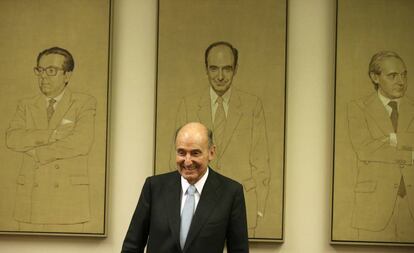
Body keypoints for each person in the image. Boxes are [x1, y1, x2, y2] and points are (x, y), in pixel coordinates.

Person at [174, 41, 270, 236]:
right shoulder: (189, 104)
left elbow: (261, 162)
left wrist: (259, 209)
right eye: (214, 68)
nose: (220, 76)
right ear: (206, 69)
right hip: (195, 208)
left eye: (226, 69)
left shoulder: (252, 106)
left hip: (243, 207)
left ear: (235, 69)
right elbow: (179, 159)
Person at [6, 47, 96, 232]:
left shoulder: (84, 103)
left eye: (51, 71)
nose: (43, 76)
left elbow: (81, 142)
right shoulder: (26, 105)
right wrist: (52, 134)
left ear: (67, 75)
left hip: (68, 198)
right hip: (30, 196)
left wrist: (36, 151)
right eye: (39, 70)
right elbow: (12, 138)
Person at [122, 122, 249, 253]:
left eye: (195, 153)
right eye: (181, 153)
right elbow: (132, 246)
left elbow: (239, 250)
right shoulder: (154, 187)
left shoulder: (231, 193)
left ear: (211, 152)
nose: (187, 161)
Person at [347, 50, 414, 241]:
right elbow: (365, 150)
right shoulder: (357, 107)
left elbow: (376, 148)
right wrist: (410, 152)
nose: (401, 81)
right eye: (393, 75)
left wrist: (392, 139)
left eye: (404, 75)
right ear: (374, 77)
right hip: (373, 207)